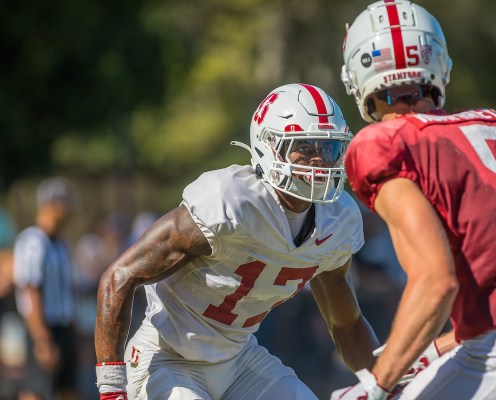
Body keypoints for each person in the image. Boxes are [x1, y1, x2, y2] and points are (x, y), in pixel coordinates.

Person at [331, 1, 496, 399]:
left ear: (360, 72)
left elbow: (437, 282)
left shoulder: (383, 143)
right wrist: (433, 348)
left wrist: (375, 384)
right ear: (437, 61)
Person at [95, 83, 380, 400]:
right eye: (306, 147)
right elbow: (119, 277)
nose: (319, 162)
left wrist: (385, 386)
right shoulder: (232, 202)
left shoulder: (338, 221)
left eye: (328, 149)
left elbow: (349, 327)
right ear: (270, 145)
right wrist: (110, 388)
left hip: (240, 360)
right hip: (167, 357)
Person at [13, 177, 78, 400]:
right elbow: (30, 291)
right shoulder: (32, 241)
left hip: (62, 327)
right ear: (50, 205)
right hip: (44, 327)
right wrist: (42, 339)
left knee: (67, 388)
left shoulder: (61, 244)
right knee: (36, 389)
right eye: (64, 203)